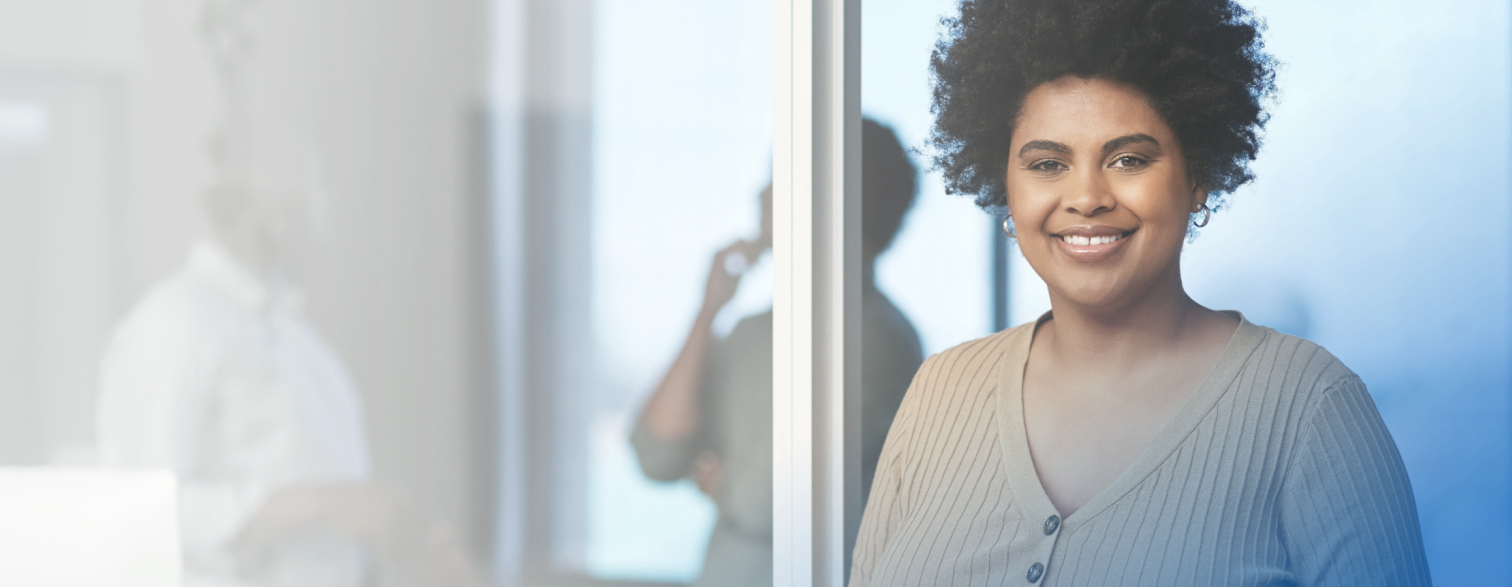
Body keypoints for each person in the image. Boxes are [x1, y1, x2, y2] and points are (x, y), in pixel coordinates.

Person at [849, 1, 1432, 586]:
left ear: (1197, 175)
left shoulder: (1309, 408)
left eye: (1128, 159)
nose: (1086, 197)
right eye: (1048, 164)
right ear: (1006, 185)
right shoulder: (939, 392)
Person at [632, 119, 924, 587]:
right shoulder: (753, 332)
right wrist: (709, 308)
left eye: (782, 176)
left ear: (834, 195)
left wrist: (726, 484)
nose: (763, 194)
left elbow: (768, 503)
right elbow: (658, 455)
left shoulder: (878, 340)